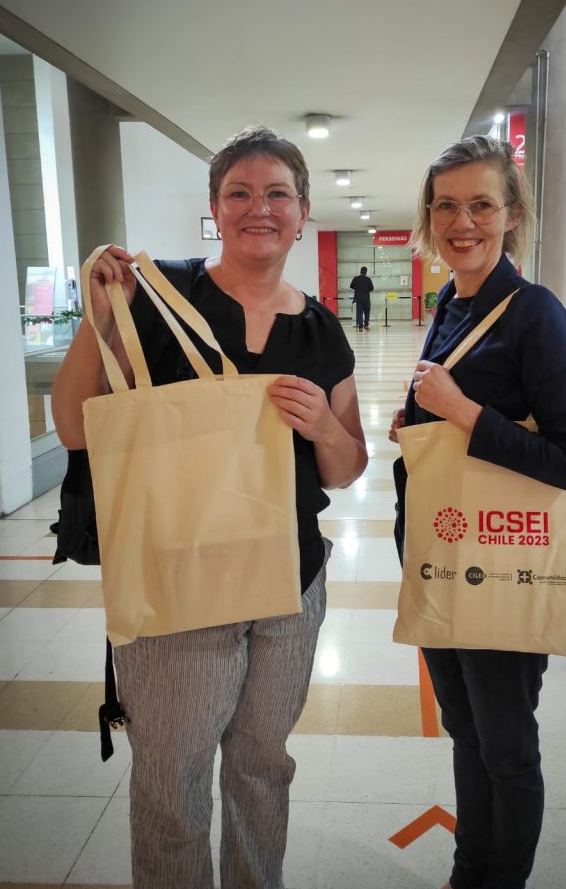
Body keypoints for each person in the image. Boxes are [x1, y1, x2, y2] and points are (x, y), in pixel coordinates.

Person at [51, 125, 368, 888]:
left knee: (263, 765)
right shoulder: (158, 297)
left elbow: (346, 465)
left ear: (303, 212)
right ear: (216, 209)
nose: (260, 208)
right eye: (239, 193)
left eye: (278, 194)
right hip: (176, 582)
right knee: (173, 773)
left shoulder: (321, 331)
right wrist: (100, 316)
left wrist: (324, 427)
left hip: (289, 583)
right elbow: (74, 426)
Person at [389, 135, 566, 889]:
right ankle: (468, 870)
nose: (462, 221)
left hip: (503, 564)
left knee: (506, 747)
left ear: (512, 214)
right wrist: (420, 422)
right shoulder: (452, 302)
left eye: (481, 204)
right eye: (446, 205)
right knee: (466, 731)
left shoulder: (534, 312)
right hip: (443, 557)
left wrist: (463, 413)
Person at [350, 265, 374, 330]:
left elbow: (351, 286)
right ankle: (366, 325)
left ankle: (360, 326)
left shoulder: (356, 278)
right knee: (367, 312)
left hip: (358, 298)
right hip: (366, 298)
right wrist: (366, 289)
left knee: (359, 312)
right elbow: (372, 288)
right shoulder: (368, 279)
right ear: (366, 272)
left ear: (360, 271)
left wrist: (357, 288)